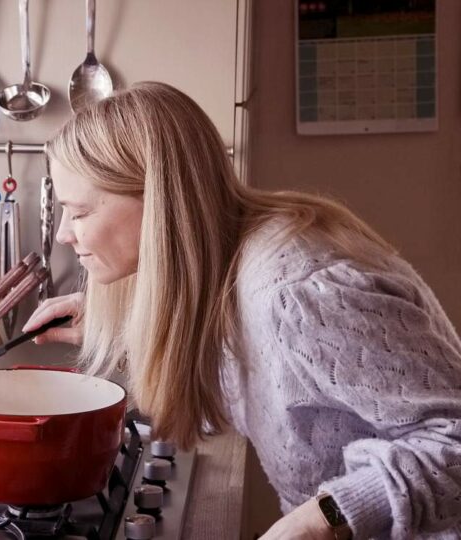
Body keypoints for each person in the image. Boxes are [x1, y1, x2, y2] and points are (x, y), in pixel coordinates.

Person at [23, 82, 461, 540]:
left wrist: (320, 521)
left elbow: (453, 442)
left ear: (156, 201)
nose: (64, 237)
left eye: (78, 213)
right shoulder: (227, 261)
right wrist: (123, 323)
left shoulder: (298, 293)